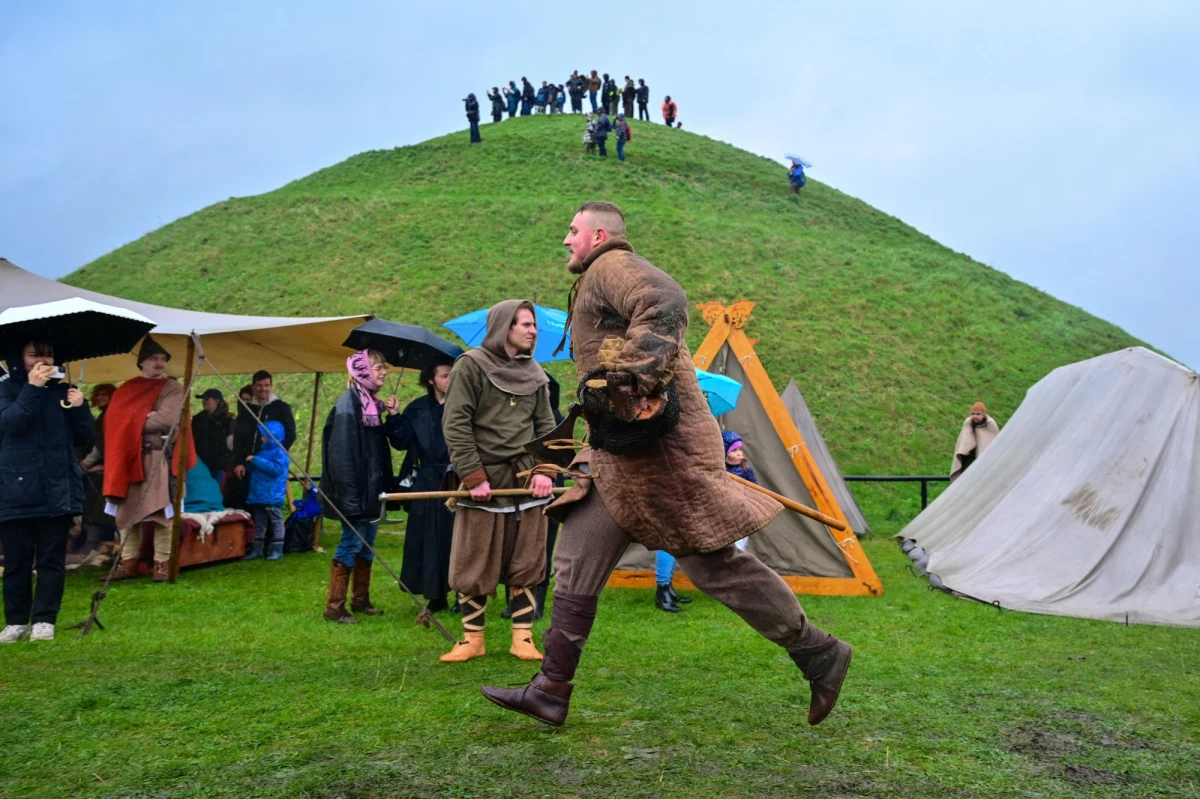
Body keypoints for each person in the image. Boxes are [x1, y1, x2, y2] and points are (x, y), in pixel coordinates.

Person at [480, 201, 853, 728]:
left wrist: (632, 375)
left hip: (660, 459)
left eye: (572, 231)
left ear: (599, 234)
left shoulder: (611, 265)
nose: (566, 240)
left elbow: (664, 299)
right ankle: (551, 689)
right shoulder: (596, 277)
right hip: (617, 458)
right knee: (576, 559)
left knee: (713, 566)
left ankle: (818, 652)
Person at [439, 300, 557, 663]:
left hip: (525, 480)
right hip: (484, 480)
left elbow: (546, 428)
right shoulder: (471, 366)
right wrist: (473, 476)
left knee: (527, 559)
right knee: (474, 558)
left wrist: (545, 470)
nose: (533, 330)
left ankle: (522, 636)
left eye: (534, 324)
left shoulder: (535, 374)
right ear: (504, 327)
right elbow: (456, 423)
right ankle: (473, 638)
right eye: (524, 324)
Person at [0, 341, 94, 643]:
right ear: (20, 359)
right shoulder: (7, 388)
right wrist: (31, 388)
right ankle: (16, 622)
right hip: (15, 487)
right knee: (16, 560)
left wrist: (81, 409)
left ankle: (44, 620)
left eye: (48, 354)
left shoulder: (64, 392)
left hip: (57, 487)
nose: (42, 360)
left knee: (52, 559)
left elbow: (87, 438)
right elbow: (11, 424)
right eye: (34, 354)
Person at [321, 350, 407, 623]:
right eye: (378, 368)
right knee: (350, 543)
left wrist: (392, 414)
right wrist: (351, 500)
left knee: (367, 544)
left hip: (370, 492)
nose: (384, 373)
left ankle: (360, 599)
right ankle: (334, 607)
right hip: (355, 494)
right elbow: (342, 458)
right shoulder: (349, 405)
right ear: (362, 371)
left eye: (384, 368)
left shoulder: (370, 405)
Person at [103, 336, 196, 583]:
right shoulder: (126, 389)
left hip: (157, 457)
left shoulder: (172, 388)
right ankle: (128, 562)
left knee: (161, 511)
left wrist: (131, 419)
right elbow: (112, 420)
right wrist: (144, 416)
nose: (159, 363)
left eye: (163, 359)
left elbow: (167, 420)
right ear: (142, 362)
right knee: (126, 510)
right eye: (154, 358)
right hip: (128, 456)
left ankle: (162, 564)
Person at [394, 361, 456, 611]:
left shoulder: (462, 405)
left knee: (456, 537)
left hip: (455, 478)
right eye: (444, 376)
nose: (449, 380)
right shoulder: (417, 408)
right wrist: (395, 416)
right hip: (426, 480)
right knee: (428, 538)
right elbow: (401, 442)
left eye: (452, 375)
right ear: (431, 380)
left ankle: (465, 595)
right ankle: (435, 595)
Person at [79, 383, 118, 554]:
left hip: (109, 468)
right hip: (105, 466)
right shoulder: (105, 415)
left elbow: (101, 446)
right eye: (99, 395)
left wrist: (85, 466)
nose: (101, 398)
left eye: (105, 395)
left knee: (97, 502)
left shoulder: (110, 416)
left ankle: (91, 541)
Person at [244, 420, 289, 561]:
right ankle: (258, 549)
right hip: (259, 492)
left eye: (264, 435)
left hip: (271, 493)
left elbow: (275, 469)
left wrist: (255, 460)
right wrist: (250, 464)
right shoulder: (263, 450)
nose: (261, 438)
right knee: (259, 521)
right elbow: (259, 469)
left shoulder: (280, 452)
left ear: (272, 436)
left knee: (276, 520)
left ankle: (277, 549)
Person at [950, 402, 1001, 482]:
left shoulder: (990, 425)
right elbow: (963, 442)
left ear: (983, 415)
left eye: (978, 414)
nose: (975, 416)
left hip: (984, 462)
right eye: (973, 414)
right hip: (968, 461)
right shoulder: (968, 423)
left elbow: (995, 444)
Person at [192, 388, 232, 485]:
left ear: (216, 400)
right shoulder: (197, 419)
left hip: (218, 464)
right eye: (203, 399)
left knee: (215, 491)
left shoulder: (227, 420)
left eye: (206, 399)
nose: (203, 402)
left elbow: (230, 443)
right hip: (200, 463)